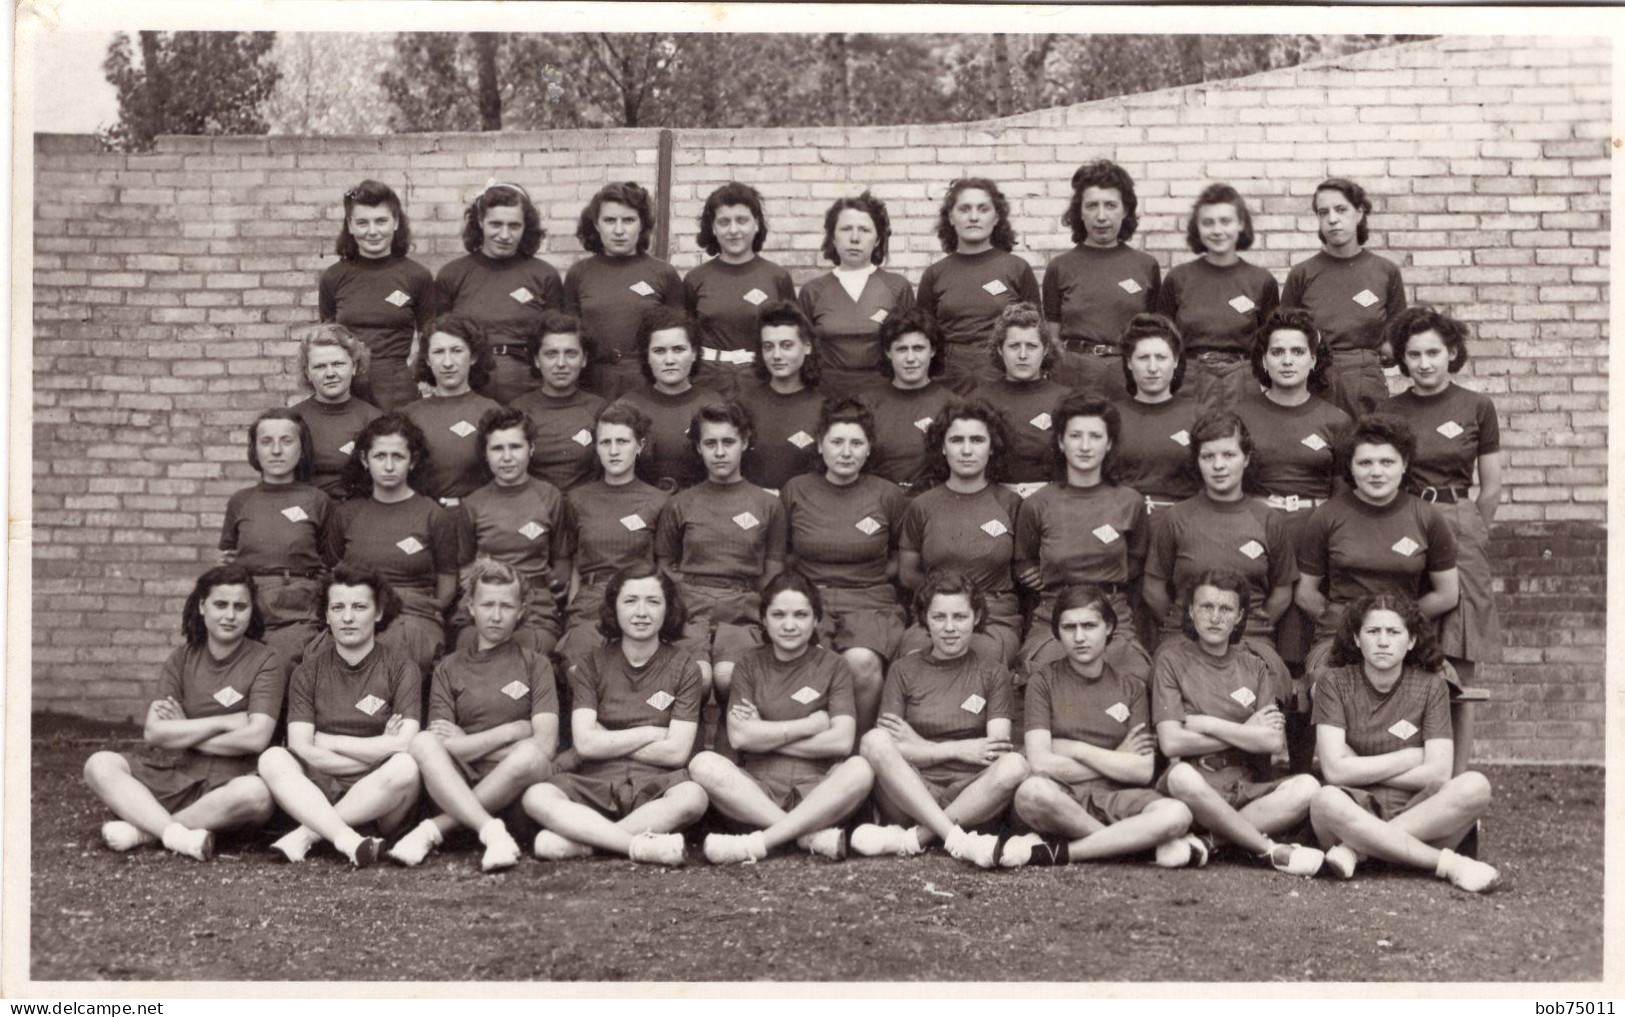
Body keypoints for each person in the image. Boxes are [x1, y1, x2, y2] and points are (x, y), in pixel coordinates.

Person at [83, 565, 282, 861]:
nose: (230, 615)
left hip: (231, 788)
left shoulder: (267, 661)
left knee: (257, 793)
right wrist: (226, 721)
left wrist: (184, 731)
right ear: (202, 606)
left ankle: (146, 831)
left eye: (240, 606)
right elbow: (154, 732)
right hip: (180, 777)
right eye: (220, 604)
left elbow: (256, 737)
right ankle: (177, 834)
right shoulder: (182, 659)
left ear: (251, 611)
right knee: (99, 764)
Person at [520, 563, 709, 866]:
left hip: (655, 787)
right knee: (536, 796)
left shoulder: (686, 667)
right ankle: (636, 845)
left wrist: (606, 738)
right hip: (595, 782)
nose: (641, 612)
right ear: (614, 608)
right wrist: (651, 733)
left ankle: (588, 843)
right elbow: (584, 744)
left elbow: (676, 753)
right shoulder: (591, 665)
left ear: (668, 609)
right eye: (630, 601)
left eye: (653, 601)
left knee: (693, 796)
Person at [1001, 585, 1201, 869]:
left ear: (1108, 627)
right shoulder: (1043, 682)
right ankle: (1133, 847)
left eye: (1089, 625)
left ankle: (1070, 852)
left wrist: (1076, 749)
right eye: (1069, 627)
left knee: (1177, 813)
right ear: (1057, 631)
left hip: (1117, 796)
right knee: (1031, 793)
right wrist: (1116, 756)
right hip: (1061, 796)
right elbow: (1040, 763)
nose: (1079, 637)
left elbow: (1142, 771)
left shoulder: (1131, 687)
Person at [1308, 594, 1499, 891]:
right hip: (1355, 808)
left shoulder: (1431, 685)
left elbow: (1438, 773)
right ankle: (1448, 864)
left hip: (1418, 810)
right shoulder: (1333, 682)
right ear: (1357, 639)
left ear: (1410, 641)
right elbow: (1334, 771)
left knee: (1476, 785)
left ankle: (1357, 852)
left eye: (1394, 632)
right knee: (1324, 800)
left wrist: (1356, 764)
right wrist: (1410, 757)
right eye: (1373, 632)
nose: (1383, 641)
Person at [688, 571, 876, 864]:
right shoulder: (749, 664)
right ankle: (804, 836)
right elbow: (739, 737)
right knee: (703, 764)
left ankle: (762, 841)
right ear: (764, 618)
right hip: (756, 794)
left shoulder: (834, 665)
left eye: (801, 615)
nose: (789, 625)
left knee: (861, 768)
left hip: (819, 793)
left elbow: (841, 741)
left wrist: (763, 733)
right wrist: (810, 725)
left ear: (816, 620)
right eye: (778, 614)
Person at [1233, 309, 1353, 767]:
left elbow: (1343, 497)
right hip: (1258, 533)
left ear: (1313, 358)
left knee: (1308, 649)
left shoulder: (1335, 419)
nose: (1286, 360)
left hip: (1315, 533)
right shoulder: (1240, 414)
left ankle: (1311, 761)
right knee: (1264, 643)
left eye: (1297, 351)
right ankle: (1264, 763)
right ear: (1263, 359)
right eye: (1277, 351)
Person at [388, 558, 557, 871]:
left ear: (520, 611)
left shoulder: (536, 665)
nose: (495, 615)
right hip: (459, 782)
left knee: (529, 759)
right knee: (423, 742)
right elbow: (440, 745)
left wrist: (469, 744)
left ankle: (434, 830)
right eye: (487, 604)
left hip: (515, 788)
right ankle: (492, 831)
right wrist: (511, 731)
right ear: (471, 607)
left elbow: (544, 747)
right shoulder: (449, 667)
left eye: (506, 606)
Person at [1152, 570, 1325, 876]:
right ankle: (1268, 850)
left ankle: (1210, 841)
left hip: (1244, 788)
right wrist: (1246, 732)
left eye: (1226, 609)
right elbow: (1171, 742)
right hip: (1197, 786)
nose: (1215, 617)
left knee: (1308, 786)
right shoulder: (1171, 661)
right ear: (1191, 611)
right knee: (1180, 776)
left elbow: (1272, 741)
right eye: (1206, 607)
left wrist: (1204, 723)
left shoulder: (1255, 666)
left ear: (1239, 617)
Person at [852, 571, 1029, 868]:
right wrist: (955, 749)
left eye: (959, 617)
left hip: (972, 797)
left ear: (976, 617)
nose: (949, 628)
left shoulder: (993, 672)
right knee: (872, 740)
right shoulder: (903, 670)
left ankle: (916, 839)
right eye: (939, 617)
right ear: (925, 618)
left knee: (1015, 766)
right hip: (910, 792)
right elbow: (887, 746)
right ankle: (956, 839)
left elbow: (995, 750)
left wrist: (918, 746)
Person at [257, 565, 423, 868]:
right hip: (321, 790)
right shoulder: (307, 672)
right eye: (338, 607)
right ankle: (347, 839)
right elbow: (300, 747)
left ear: (378, 612)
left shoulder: (402, 668)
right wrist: (379, 747)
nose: (347, 617)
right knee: (272, 759)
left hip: (382, 797)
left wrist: (330, 742)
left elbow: (406, 745)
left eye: (359, 607)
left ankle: (308, 836)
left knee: (406, 767)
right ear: (327, 614)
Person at [1379, 306, 1502, 690]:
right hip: (1405, 517)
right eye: (1414, 354)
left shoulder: (1476, 406)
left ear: (1451, 352)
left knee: (1461, 639)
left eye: (1432, 353)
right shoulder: (1389, 410)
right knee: (1405, 628)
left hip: (1458, 519)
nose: (1424, 363)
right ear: (1402, 358)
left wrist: (1473, 527)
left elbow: (1492, 485)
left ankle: (1457, 752)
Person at [1142, 410, 1296, 702]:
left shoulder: (1267, 519)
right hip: (1185, 636)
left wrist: (1243, 624)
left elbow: (1282, 590)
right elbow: (1154, 590)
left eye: (1228, 455)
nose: (1219, 466)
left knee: (1270, 690)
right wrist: (1192, 624)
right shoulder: (1175, 518)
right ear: (1197, 462)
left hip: (1250, 637)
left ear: (1246, 458)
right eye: (1208, 456)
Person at [780, 398, 909, 732]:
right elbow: (783, 554)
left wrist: (865, 578)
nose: (846, 452)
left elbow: (900, 555)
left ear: (869, 450)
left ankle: (857, 753)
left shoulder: (888, 496)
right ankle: (813, 751)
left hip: (869, 601)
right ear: (820, 445)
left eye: (856, 443)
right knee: (810, 657)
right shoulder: (796, 490)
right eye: (836, 442)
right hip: (810, 599)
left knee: (861, 662)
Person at [1294, 415, 1459, 676]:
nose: (1376, 472)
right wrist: (1350, 623)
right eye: (1365, 462)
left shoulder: (1427, 517)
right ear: (1351, 466)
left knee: (1442, 682)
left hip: (1403, 638)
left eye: (1387, 462)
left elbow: (1447, 594)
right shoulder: (1327, 516)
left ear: (1404, 464)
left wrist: (1398, 620)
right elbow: (1306, 594)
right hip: (1338, 638)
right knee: (1327, 683)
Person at [654, 401, 787, 702]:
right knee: (694, 678)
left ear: (745, 442)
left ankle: (733, 742)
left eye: (728, 442)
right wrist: (688, 594)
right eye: (710, 443)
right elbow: (665, 563)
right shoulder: (681, 503)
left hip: (742, 609)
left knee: (730, 678)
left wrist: (743, 596)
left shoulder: (767, 504)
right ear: (698, 448)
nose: (719, 452)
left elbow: (774, 568)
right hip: (690, 608)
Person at [1013, 392, 1151, 684]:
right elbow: (1023, 559)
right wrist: (1036, 574)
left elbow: (1136, 562)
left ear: (1109, 442)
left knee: (1133, 677)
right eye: (1076, 436)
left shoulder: (1130, 502)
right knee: (1047, 676)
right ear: (1061, 442)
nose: (1085, 446)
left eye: (1095, 436)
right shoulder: (1038, 504)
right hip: (1055, 613)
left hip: (1112, 614)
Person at [324, 414, 465, 677]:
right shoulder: (347, 514)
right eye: (380, 456)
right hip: (357, 614)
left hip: (414, 617)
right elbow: (332, 574)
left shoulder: (433, 515)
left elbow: (446, 587)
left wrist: (416, 609)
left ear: (413, 460)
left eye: (398, 457)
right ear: (365, 460)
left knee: (396, 647)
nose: (389, 466)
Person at [896, 399, 1023, 666]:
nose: (966, 450)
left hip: (994, 617)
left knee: (979, 656)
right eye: (956, 440)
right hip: (935, 615)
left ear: (992, 448)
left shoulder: (1010, 504)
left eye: (977, 440)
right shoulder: (922, 505)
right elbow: (908, 574)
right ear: (942, 447)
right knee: (915, 657)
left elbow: (1023, 567)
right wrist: (947, 603)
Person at [1280, 177, 1408, 418]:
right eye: (1323, 212)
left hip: (1365, 381)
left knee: (1369, 447)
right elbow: (1282, 334)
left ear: (1359, 213)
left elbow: (1398, 330)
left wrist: (1387, 347)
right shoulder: (1302, 274)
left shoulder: (1384, 271)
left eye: (1341, 209)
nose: (1332, 219)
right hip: (1314, 379)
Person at [556, 403, 671, 666]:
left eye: (622, 441)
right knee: (578, 667)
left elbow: (663, 569)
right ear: (596, 447)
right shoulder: (577, 499)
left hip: (637, 603)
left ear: (639, 446)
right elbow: (575, 564)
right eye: (605, 442)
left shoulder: (658, 501)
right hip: (590, 603)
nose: (614, 450)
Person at [219, 408, 331, 673]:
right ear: (254, 449)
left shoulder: (316, 500)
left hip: (300, 609)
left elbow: (330, 562)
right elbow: (229, 557)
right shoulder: (241, 501)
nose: (276, 450)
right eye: (266, 441)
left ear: (302, 449)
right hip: (250, 606)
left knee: (288, 665)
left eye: (287, 441)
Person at [434, 181, 565, 406]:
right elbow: (437, 335)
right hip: (470, 379)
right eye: (496, 224)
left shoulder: (544, 275)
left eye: (514, 226)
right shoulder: (453, 274)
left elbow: (557, 338)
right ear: (480, 222)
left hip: (527, 381)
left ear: (526, 227)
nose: (504, 235)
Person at [453, 407, 571, 655]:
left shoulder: (550, 497)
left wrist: (537, 591)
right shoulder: (473, 504)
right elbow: (465, 567)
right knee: (472, 647)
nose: (507, 457)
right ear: (485, 454)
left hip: (534, 606)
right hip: (487, 603)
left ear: (531, 449)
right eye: (497, 449)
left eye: (515, 447)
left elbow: (561, 563)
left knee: (531, 650)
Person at [1154, 183, 1280, 409]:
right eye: (1208, 223)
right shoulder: (1178, 278)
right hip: (1190, 383)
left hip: (1244, 383)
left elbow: (1272, 344)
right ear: (1197, 228)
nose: (1217, 230)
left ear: (1241, 223)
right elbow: (1161, 342)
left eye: (1225, 221)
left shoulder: (1261, 281)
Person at [1044, 160, 1160, 400]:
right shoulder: (1060, 266)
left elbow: (1154, 335)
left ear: (1125, 210)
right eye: (1092, 206)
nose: (1101, 216)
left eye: (1110, 205)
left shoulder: (1145, 266)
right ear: (1080, 212)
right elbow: (1052, 339)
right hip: (1074, 373)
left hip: (1126, 373)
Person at [318, 179, 436, 411]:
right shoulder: (333, 277)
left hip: (398, 386)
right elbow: (327, 341)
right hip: (347, 386)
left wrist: (415, 378)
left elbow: (430, 337)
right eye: (362, 223)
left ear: (395, 223)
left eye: (381, 221)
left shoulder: (417, 275)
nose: (372, 231)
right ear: (350, 226)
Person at [916, 178, 1040, 393]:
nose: (973, 217)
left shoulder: (1017, 269)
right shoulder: (934, 274)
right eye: (964, 209)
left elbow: (1036, 333)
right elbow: (922, 337)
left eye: (983, 209)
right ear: (951, 217)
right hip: (949, 375)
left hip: (1002, 372)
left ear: (996, 217)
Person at [564, 181, 684, 397]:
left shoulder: (664, 274)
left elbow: (679, 339)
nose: (619, 230)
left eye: (628, 220)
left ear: (642, 225)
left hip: (647, 381)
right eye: (610, 220)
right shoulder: (578, 274)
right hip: (593, 383)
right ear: (597, 225)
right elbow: (568, 337)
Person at [797, 191, 915, 395]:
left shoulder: (897, 287)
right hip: (826, 396)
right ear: (833, 237)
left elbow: (912, 347)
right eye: (845, 229)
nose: (854, 238)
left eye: (864, 230)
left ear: (878, 239)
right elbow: (801, 353)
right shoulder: (812, 291)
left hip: (884, 395)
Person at [683, 182, 796, 389]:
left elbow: (791, 336)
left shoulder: (777, 277)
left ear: (757, 224)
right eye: (724, 222)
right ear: (713, 228)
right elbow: (684, 339)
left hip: (761, 381)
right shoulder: (695, 278)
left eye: (742, 220)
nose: (733, 230)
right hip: (707, 381)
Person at [399, 313, 505, 505]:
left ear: (473, 356)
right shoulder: (408, 416)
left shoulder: (492, 412)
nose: (447, 362)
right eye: (438, 352)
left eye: (457, 350)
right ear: (428, 360)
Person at [612, 306, 716, 491]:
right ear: (647, 356)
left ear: (694, 353)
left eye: (678, 349)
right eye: (659, 351)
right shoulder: (626, 407)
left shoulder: (713, 405)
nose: (669, 359)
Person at [976, 301, 1070, 499]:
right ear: (1000, 349)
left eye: (1032, 346)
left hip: (1051, 500)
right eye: (1014, 346)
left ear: (1045, 350)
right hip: (995, 500)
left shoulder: (1065, 399)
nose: (1023, 355)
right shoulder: (979, 399)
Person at [1113, 313, 1204, 513]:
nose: (1152, 368)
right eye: (1143, 358)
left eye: (1161, 357)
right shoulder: (1110, 416)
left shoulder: (1199, 417)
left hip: (1182, 522)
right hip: (1123, 520)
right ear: (1129, 362)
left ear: (1175, 361)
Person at [510, 310, 608, 493]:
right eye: (551, 354)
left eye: (571, 353)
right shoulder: (519, 410)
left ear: (584, 359)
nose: (561, 363)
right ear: (537, 360)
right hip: (535, 508)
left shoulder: (599, 409)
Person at [861, 308, 958, 490]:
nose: (910, 358)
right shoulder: (866, 405)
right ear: (888, 352)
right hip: (879, 506)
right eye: (902, 349)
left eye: (919, 348)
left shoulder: (953, 406)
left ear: (933, 350)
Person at [736, 300, 825, 494]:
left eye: (786, 345)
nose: (776, 355)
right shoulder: (744, 405)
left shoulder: (825, 408)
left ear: (807, 346)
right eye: (768, 347)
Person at [290, 324, 383, 499]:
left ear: (354, 367)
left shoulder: (374, 420)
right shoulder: (293, 420)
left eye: (338, 364)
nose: (330, 373)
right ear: (308, 373)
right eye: (319, 367)